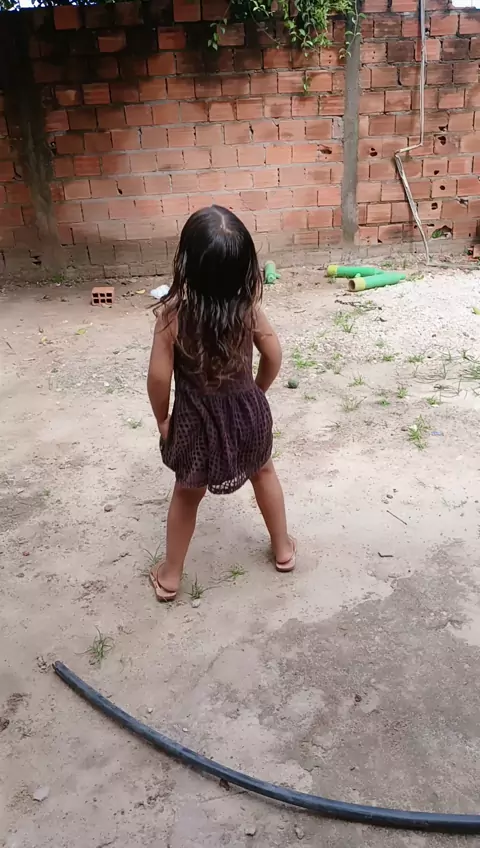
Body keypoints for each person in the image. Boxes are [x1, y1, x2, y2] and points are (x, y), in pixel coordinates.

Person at [147, 205, 295, 601]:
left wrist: (162, 418)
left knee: (187, 491)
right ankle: (283, 549)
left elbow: (159, 379)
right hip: (248, 415)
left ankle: (171, 575)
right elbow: (274, 354)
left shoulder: (172, 317)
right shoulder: (248, 311)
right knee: (264, 471)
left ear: (186, 264)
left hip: (196, 422)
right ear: (245, 266)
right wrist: (257, 390)